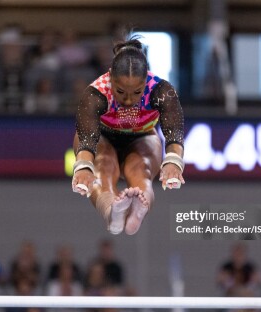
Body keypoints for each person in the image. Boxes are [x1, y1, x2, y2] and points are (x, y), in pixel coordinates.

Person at [71, 36, 185, 235]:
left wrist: (174, 161)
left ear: (147, 80)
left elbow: (174, 133)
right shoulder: (95, 94)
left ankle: (138, 211)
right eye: (121, 91)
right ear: (110, 78)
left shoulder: (161, 91)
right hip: (103, 137)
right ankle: (111, 212)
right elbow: (87, 138)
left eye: (137, 92)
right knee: (103, 167)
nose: (129, 100)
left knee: (142, 170)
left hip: (141, 138)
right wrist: (83, 166)